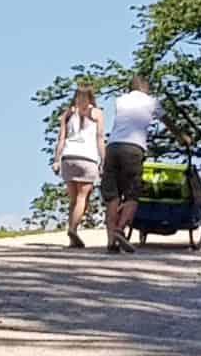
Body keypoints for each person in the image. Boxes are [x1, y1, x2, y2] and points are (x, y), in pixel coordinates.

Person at [99, 79, 164, 252]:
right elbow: (166, 120)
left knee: (112, 196)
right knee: (132, 194)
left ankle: (111, 241)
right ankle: (120, 229)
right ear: (145, 87)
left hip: (112, 147)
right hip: (134, 148)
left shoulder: (121, 100)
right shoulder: (152, 101)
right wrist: (182, 137)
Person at [51, 83, 105, 248]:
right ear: (91, 98)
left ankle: (71, 233)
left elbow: (61, 139)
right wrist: (103, 161)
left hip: (68, 157)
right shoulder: (97, 113)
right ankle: (73, 229)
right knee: (83, 197)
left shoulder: (67, 114)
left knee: (73, 199)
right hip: (87, 158)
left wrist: (56, 160)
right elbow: (100, 138)